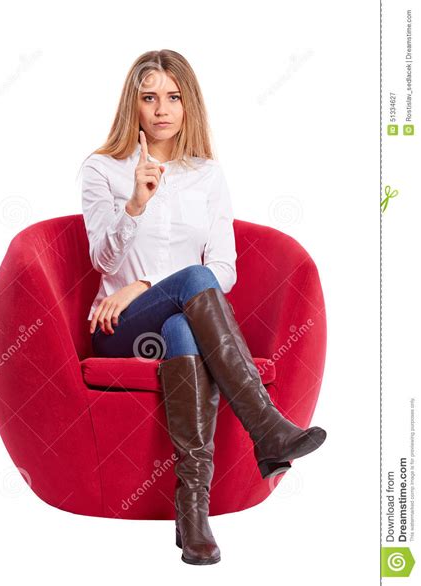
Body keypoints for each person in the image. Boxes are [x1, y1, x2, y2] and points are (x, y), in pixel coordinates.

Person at [78, 49, 327, 566]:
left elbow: (226, 268)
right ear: (134, 105)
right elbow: (100, 256)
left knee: (182, 325)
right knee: (192, 281)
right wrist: (135, 205)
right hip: (120, 325)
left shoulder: (206, 174)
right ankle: (267, 428)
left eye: (172, 98)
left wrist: (148, 281)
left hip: (174, 322)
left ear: (188, 106)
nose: (161, 109)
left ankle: (192, 514)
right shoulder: (102, 168)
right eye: (149, 98)